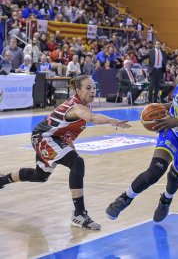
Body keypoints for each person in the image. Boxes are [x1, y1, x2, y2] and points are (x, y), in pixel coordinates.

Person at [0, 75, 131, 230]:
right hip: (44, 137)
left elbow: (66, 132)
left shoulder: (84, 106)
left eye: (94, 87)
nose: (93, 91)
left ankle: (2, 181)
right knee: (77, 162)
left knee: (40, 176)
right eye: (88, 88)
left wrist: (70, 148)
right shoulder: (76, 107)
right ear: (77, 90)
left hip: (53, 138)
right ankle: (79, 214)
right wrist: (112, 120)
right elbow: (92, 118)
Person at [106, 48, 178, 223]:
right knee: (155, 171)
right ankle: (124, 198)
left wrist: (177, 121)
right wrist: (160, 107)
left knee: (174, 177)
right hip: (172, 133)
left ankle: (166, 199)